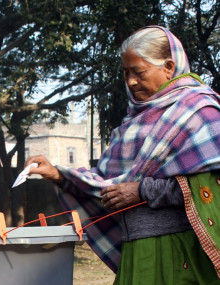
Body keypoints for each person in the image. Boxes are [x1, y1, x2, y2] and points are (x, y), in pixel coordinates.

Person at [26, 26, 220, 284]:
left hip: (180, 254)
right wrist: (58, 174)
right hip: (136, 252)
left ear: (169, 67)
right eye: (126, 72)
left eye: (138, 72)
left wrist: (143, 191)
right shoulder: (133, 123)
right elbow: (106, 183)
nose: (130, 81)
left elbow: (211, 187)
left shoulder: (200, 113)